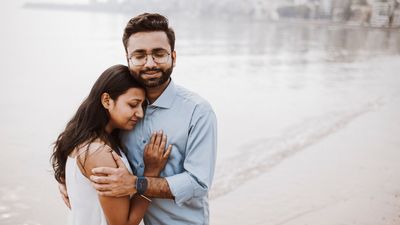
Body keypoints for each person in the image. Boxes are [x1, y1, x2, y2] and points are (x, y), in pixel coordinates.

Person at [89, 13, 218, 225]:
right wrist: (66, 177)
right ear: (128, 59)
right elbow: (88, 135)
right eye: (139, 55)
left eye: (159, 54)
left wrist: (137, 184)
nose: (150, 63)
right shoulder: (121, 108)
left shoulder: (198, 111)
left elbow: (198, 183)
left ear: (173, 57)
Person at [52, 64, 172, 225]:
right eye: (133, 104)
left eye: (142, 106)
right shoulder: (97, 152)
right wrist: (152, 172)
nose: (140, 113)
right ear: (107, 100)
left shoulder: (92, 140)